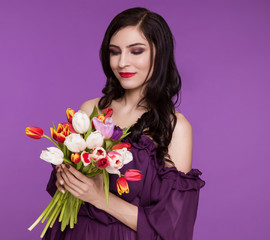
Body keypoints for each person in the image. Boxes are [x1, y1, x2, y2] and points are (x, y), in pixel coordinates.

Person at [43, 7, 205, 240]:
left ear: (160, 54)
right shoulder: (90, 110)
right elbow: (64, 193)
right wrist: (66, 179)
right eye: (114, 52)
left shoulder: (175, 128)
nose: (121, 63)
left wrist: (99, 198)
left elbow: (173, 228)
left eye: (136, 51)